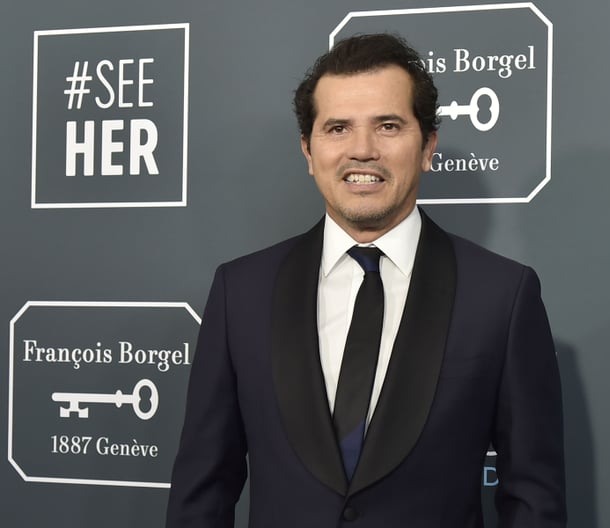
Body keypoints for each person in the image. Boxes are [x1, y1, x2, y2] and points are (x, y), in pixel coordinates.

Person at [166, 33, 566, 527]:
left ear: (428, 146)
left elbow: (533, 499)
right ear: (309, 152)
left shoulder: (502, 296)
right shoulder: (240, 292)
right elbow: (202, 491)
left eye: (389, 125)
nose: (362, 149)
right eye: (337, 128)